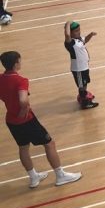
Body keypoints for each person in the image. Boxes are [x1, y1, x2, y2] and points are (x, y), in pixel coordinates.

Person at [0, 51, 82, 188]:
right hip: (27, 120)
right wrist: (23, 109)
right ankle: (60, 175)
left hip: (11, 121)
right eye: (20, 60)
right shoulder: (21, 80)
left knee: (23, 148)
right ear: (16, 64)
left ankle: (33, 177)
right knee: (49, 144)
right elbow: (23, 100)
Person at [64, 21, 99, 109]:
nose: (78, 32)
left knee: (85, 83)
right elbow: (67, 35)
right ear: (71, 33)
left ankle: (83, 96)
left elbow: (85, 40)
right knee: (81, 86)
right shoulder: (70, 43)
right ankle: (85, 103)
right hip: (78, 69)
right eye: (76, 31)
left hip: (84, 67)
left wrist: (90, 35)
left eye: (79, 30)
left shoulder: (78, 39)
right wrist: (67, 24)